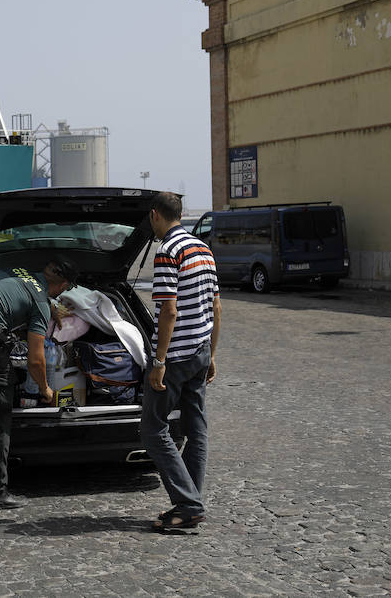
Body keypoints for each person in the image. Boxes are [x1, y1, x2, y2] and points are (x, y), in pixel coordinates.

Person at [0, 258, 78, 510]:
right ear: (62, 285)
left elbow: (18, 293)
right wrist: (45, 389)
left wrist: (50, 307)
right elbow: (36, 360)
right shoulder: (39, 301)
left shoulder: (14, 270)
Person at [141, 192, 221, 531]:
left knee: (153, 429)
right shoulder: (202, 248)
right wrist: (212, 354)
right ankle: (188, 503)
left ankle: (187, 504)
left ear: (155, 215)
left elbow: (168, 311)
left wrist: (159, 360)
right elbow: (216, 307)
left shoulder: (167, 251)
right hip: (200, 350)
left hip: (175, 356)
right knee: (196, 427)